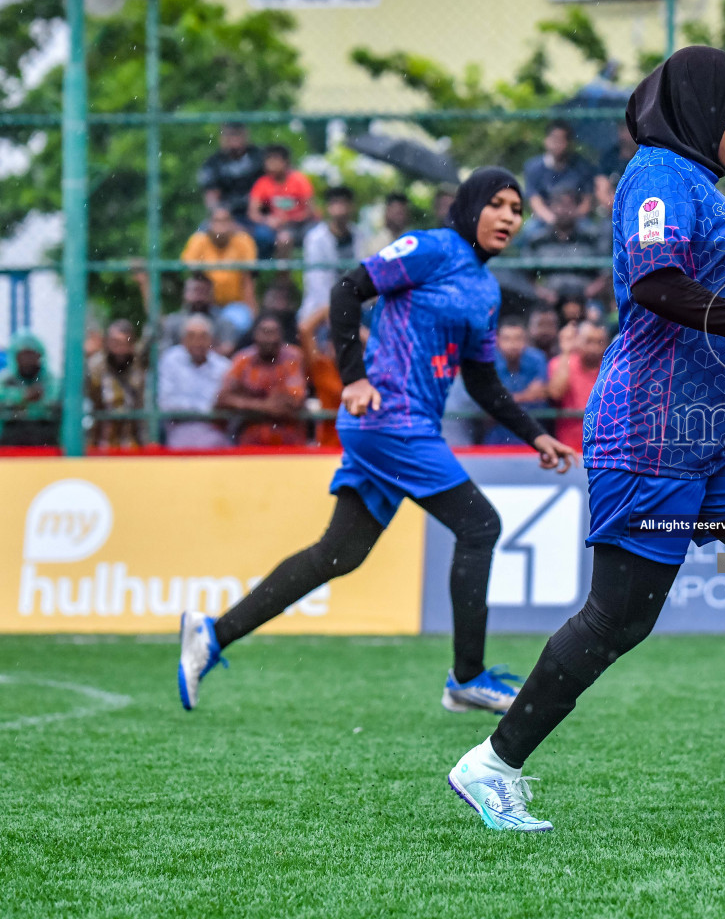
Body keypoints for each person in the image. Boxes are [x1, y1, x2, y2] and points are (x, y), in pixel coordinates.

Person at [451, 47, 725, 833]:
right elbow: (656, 283)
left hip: (719, 435)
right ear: (703, 109)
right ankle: (491, 764)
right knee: (619, 618)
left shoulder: (701, 187)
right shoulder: (659, 175)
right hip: (649, 432)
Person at [178, 169, 579, 718]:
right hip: (387, 418)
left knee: (338, 554)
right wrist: (355, 378)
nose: (510, 217)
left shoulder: (486, 291)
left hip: (408, 426)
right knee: (481, 525)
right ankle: (466, 677)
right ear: (469, 208)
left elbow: (482, 381)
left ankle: (212, 634)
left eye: (517, 209)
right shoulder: (433, 248)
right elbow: (347, 288)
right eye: (498, 204)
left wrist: (536, 435)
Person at [215, 312, 308, 447]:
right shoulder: (242, 360)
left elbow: (294, 401)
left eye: (273, 332)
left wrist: (245, 401)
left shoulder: (293, 358)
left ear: (281, 336)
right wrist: (264, 406)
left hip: (289, 438)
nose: (269, 338)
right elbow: (222, 399)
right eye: (265, 332)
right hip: (250, 438)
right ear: (255, 335)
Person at [522, 186, 610, 306]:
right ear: (551, 208)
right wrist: (544, 294)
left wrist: (588, 293)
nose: (563, 210)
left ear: (576, 207)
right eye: (559, 205)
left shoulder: (591, 238)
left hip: (588, 300)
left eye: (568, 205)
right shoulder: (538, 240)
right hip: (548, 302)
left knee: (595, 313)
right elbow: (526, 276)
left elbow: (606, 273)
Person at [181, 205, 258, 336]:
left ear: (232, 224)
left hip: (235, 305)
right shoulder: (198, 241)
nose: (221, 226)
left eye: (225, 221)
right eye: (217, 221)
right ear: (209, 224)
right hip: (204, 306)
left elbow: (248, 280)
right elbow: (191, 277)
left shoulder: (243, 241)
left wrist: (252, 312)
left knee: (240, 325)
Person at [157, 315, 231, 450]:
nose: (197, 341)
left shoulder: (223, 366)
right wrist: (206, 410)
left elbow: (225, 404)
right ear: (183, 340)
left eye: (203, 336)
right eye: (191, 336)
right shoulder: (170, 360)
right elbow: (166, 403)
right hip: (179, 428)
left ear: (211, 340)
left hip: (214, 430)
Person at [481, 319, 551, 446]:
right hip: (496, 439)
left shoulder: (537, 358)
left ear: (526, 340)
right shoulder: (488, 361)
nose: (513, 344)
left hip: (533, 438)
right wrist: (526, 396)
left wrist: (502, 402)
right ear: (497, 341)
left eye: (518, 338)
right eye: (507, 339)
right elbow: (488, 404)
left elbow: (539, 394)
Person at [524, 121, 596, 233]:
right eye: (553, 139)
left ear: (569, 143)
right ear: (546, 140)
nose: (557, 144)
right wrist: (553, 220)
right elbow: (535, 201)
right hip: (546, 219)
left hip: (576, 220)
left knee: (592, 232)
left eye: (561, 140)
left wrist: (570, 220)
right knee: (529, 231)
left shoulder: (582, 166)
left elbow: (587, 201)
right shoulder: (534, 167)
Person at [299, 186, 360, 321]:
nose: (340, 208)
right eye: (335, 203)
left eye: (343, 203)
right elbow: (316, 282)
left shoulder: (360, 235)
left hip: (355, 305)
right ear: (328, 207)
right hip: (321, 308)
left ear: (351, 206)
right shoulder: (315, 238)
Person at [545, 318, 607, 450]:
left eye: (599, 342)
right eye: (588, 341)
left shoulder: (611, 368)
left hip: (603, 447)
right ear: (578, 341)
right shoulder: (561, 363)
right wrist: (566, 350)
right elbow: (555, 393)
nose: (594, 347)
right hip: (569, 446)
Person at [86, 319, 146, 449]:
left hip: (131, 443)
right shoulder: (95, 367)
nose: (120, 350)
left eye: (125, 344)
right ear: (107, 343)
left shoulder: (138, 366)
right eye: (116, 343)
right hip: (100, 443)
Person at [247, 144, 314, 258]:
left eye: (275, 160)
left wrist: (290, 219)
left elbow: (311, 211)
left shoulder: (299, 180)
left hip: (301, 225)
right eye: (268, 160)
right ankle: (277, 274)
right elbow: (253, 213)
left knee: (289, 238)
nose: (271, 165)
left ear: (285, 162)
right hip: (275, 227)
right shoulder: (263, 183)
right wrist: (267, 220)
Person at [155, 273, 240, 356]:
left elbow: (228, 349)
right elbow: (164, 351)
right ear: (185, 294)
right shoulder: (172, 322)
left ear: (212, 295)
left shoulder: (223, 323)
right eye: (195, 291)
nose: (199, 297)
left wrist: (199, 357)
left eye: (204, 292)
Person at [0, 330, 59, 447]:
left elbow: (55, 397)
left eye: (31, 354)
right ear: (15, 357)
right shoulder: (6, 379)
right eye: (23, 355)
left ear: (39, 356)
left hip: (45, 442)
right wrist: (22, 396)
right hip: (10, 443)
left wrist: (40, 398)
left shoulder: (49, 380)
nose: (27, 360)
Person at [197, 122, 263, 221]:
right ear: (221, 138)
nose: (234, 139)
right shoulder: (213, 163)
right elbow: (211, 195)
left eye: (237, 134)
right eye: (230, 134)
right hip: (226, 216)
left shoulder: (259, 157)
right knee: (202, 235)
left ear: (246, 136)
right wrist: (219, 214)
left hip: (258, 214)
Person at [298, 306, 343, 448]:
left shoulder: (366, 368)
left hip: (362, 445)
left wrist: (353, 327)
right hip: (330, 443)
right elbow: (305, 329)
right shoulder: (322, 367)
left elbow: (380, 348)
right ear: (329, 345)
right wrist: (333, 305)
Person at [595, 120, 639, 218]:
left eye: (628, 130)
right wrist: (613, 204)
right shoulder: (609, 157)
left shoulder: (642, 158)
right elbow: (601, 187)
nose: (625, 134)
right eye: (622, 129)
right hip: (612, 210)